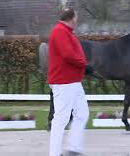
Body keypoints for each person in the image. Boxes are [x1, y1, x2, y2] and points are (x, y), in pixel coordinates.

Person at [47, 8, 92, 156]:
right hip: (64, 81)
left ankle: (73, 148)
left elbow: (70, 54)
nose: (77, 22)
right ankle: (54, 153)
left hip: (72, 81)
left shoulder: (65, 32)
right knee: (61, 118)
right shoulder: (60, 31)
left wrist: (83, 65)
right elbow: (68, 55)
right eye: (76, 19)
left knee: (82, 114)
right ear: (72, 18)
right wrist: (84, 64)